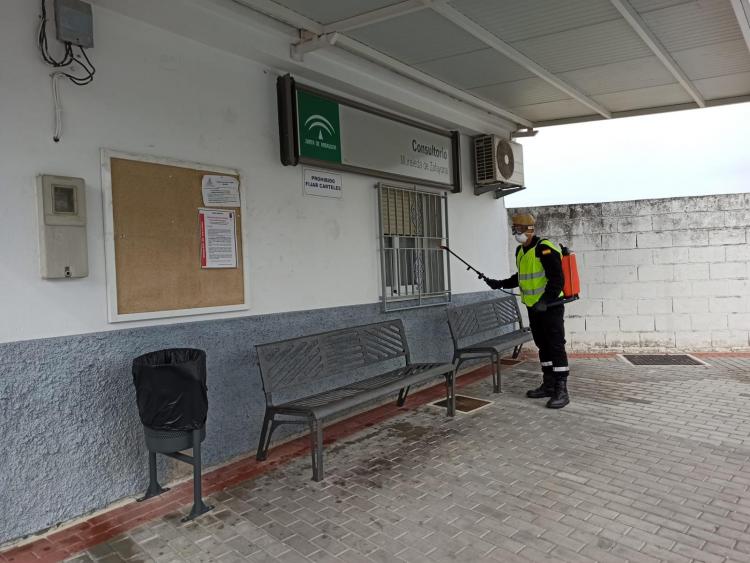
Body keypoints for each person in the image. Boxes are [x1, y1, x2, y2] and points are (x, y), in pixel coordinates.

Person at [481, 213, 570, 409]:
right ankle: (548, 384)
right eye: (514, 228)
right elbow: (521, 277)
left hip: (550, 307)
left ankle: (561, 390)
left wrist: (545, 301)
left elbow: (557, 280)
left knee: (555, 345)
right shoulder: (521, 251)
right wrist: (499, 284)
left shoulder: (545, 248)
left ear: (530, 229)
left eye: (519, 228)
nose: (516, 231)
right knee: (543, 345)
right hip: (533, 307)